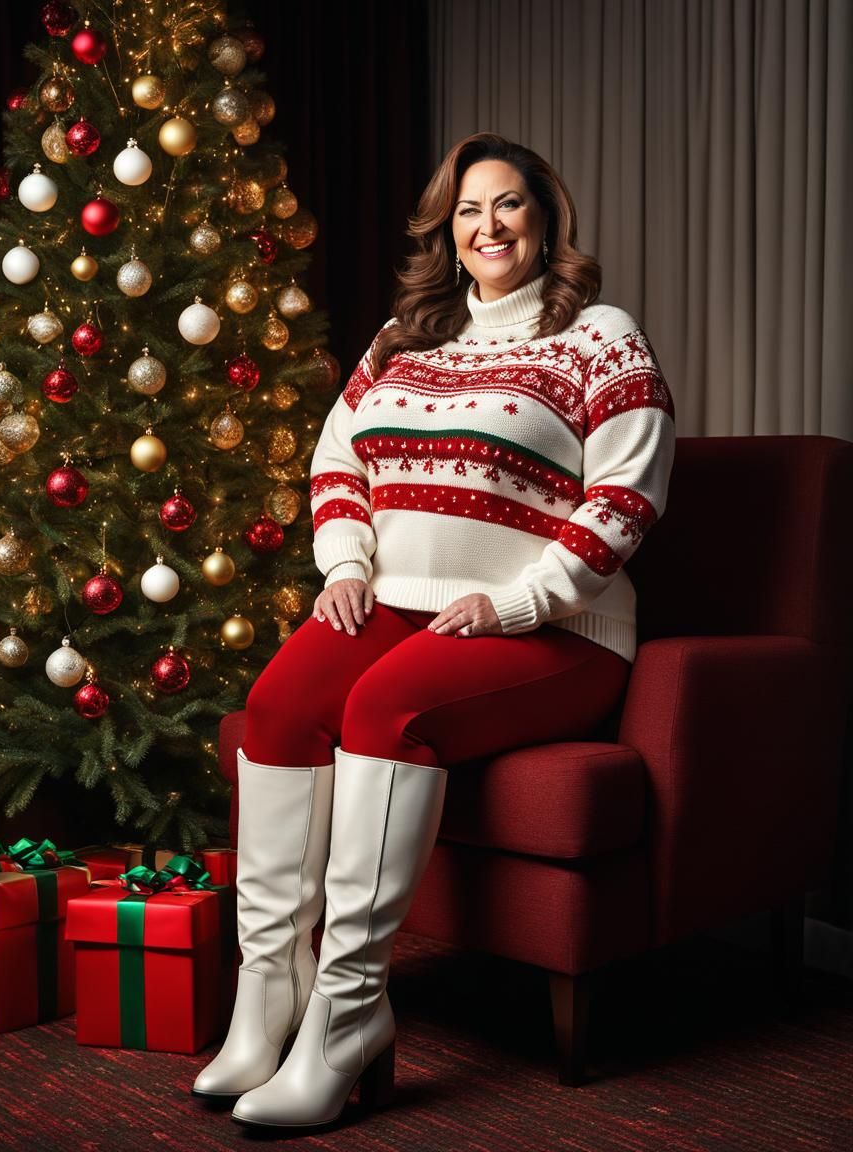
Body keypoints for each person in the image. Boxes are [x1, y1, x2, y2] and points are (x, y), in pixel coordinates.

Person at [193, 132, 675, 1129]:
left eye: (506, 204)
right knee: (278, 706)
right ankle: (266, 1002)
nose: (485, 225)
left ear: (544, 221)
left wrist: (517, 601)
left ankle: (348, 1013)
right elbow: (337, 464)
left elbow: (626, 497)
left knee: (384, 708)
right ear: (445, 232)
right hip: (398, 599)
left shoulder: (597, 335)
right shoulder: (400, 337)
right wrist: (348, 568)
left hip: (559, 624)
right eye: (465, 210)